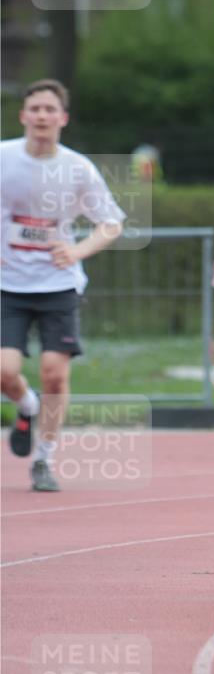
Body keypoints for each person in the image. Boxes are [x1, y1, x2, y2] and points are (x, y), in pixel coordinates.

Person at [1, 79, 125, 491]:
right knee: (5, 371)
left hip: (57, 284)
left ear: (63, 118)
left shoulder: (77, 168)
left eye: (49, 110)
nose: (41, 116)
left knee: (55, 374)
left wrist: (77, 251)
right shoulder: (3, 159)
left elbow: (111, 223)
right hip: (8, 284)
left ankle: (44, 458)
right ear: (23, 115)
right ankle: (26, 405)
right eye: (34, 108)